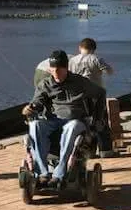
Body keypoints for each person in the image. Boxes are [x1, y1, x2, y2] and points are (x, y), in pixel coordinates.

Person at [22, 49, 107, 189]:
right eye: (53, 70)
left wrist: (98, 118)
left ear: (66, 68)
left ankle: (59, 173)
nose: (56, 73)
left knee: (71, 126)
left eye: (59, 70)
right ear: (50, 69)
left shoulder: (80, 82)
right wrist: (31, 108)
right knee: (35, 125)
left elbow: (100, 93)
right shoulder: (46, 84)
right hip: (53, 121)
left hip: (76, 121)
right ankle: (42, 173)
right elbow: (37, 101)